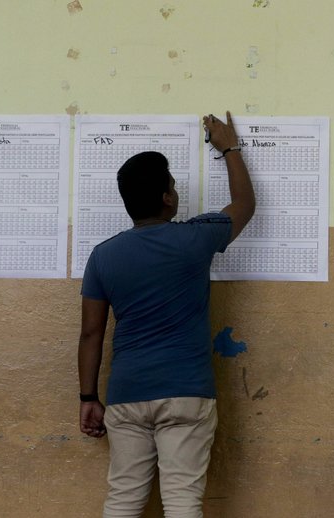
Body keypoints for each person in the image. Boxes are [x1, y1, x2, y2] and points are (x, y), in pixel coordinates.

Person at [77, 112, 254, 518]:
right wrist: (228, 147)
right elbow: (244, 204)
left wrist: (88, 397)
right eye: (173, 185)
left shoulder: (103, 256)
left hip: (126, 395)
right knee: (182, 502)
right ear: (167, 199)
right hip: (186, 392)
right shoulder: (195, 238)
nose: (175, 190)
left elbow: (91, 334)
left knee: (122, 500)